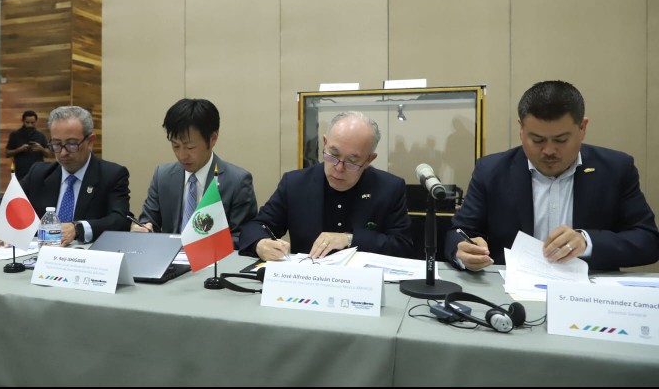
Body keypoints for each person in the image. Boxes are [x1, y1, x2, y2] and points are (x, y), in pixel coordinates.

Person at [445, 80, 659, 272]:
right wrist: (462, 252)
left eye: (561, 140)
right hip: (510, 292)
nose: (549, 151)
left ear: (582, 128)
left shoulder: (615, 169)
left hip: (589, 293)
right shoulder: (492, 171)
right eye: (537, 140)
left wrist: (587, 242)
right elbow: (459, 232)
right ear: (521, 130)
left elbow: (648, 241)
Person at [238, 111, 414, 260]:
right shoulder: (295, 184)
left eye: (352, 161)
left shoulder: (389, 188)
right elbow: (256, 227)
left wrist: (349, 239)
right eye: (333, 155)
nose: (339, 168)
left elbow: (403, 245)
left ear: (369, 160)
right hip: (307, 281)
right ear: (325, 143)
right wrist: (260, 244)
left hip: (364, 283)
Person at [0, 105, 131, 246]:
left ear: (90, 142)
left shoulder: (112, 175)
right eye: (56, 144)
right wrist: (1, 230)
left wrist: (78, 228)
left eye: (72, 144)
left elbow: (120, 220)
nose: (63, 153)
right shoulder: (39, 173)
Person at [132, 98, 258, 247]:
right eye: (175, 146)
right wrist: (142, 230)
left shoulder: (237, 181)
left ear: (213, 139)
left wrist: (201, 244)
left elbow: (244, 237)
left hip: (214, 259)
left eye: (190, 147)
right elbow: (149, 222)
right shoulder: (162, 176)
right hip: (169, 258)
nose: (182, 155)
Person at [6, 110, 51, 180]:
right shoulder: (15, 135)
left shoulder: (40, 135)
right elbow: (7, 154)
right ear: (23, 121)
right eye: (27, 122)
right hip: (20, 172)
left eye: (32, 123)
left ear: (36, 121)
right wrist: (19, 150)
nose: (30, 125)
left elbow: (48, 154)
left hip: (37, 172)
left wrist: (41, 149)